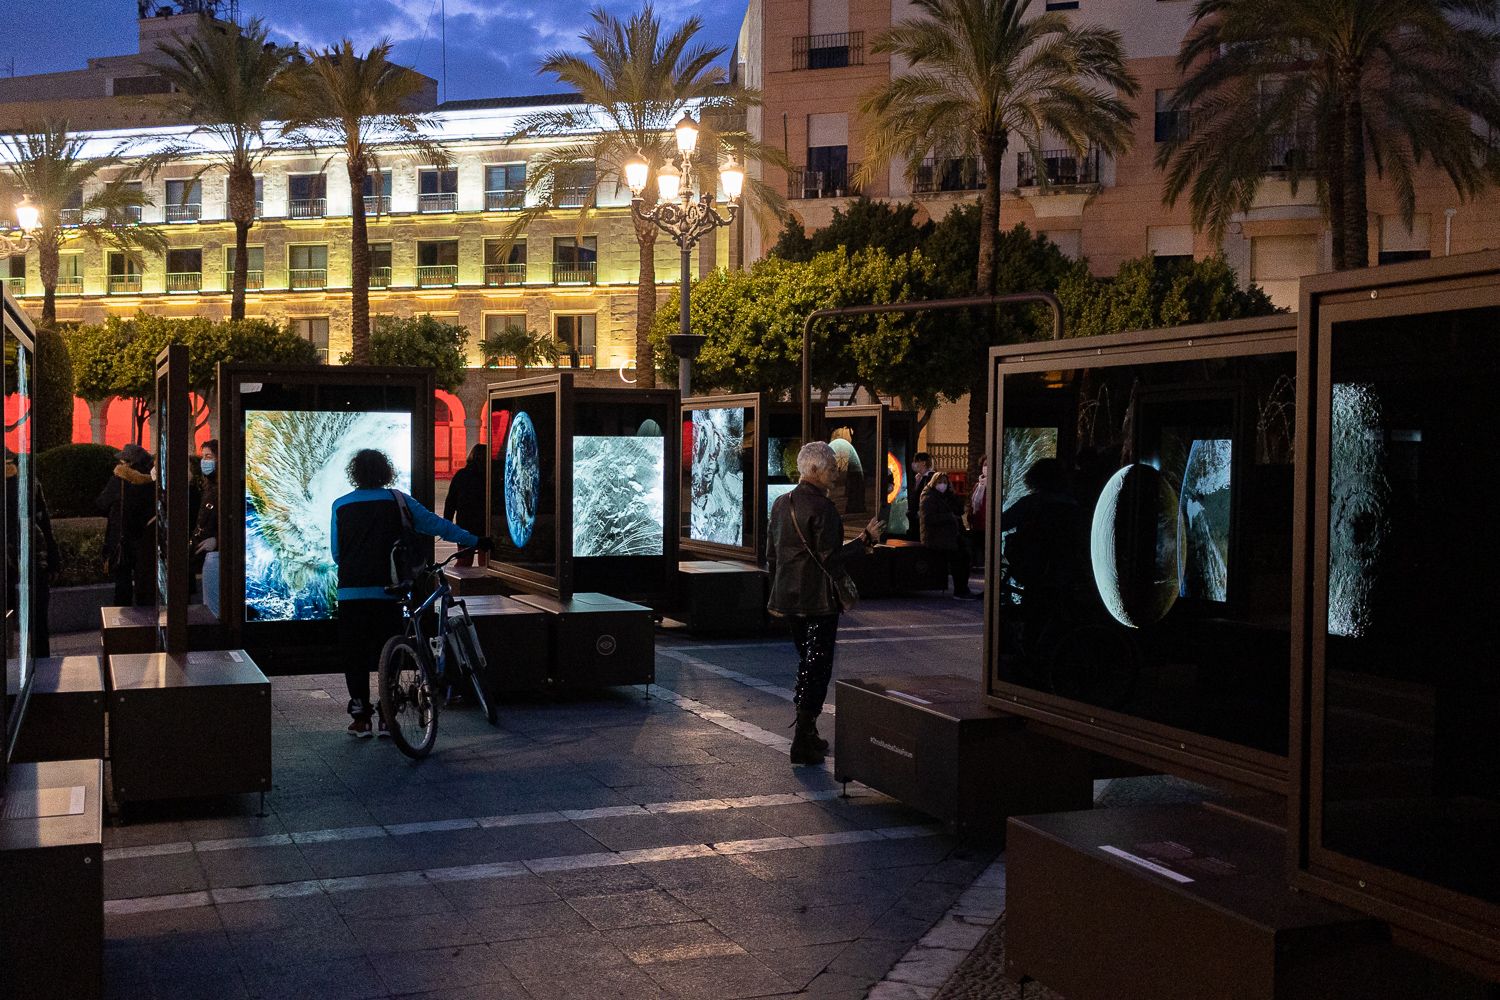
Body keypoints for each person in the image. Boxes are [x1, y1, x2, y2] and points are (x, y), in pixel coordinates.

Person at [331, 448, 492, 738]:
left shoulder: (340, 505)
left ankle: (360, 718)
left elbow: (336, 554)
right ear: (386, 471)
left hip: (351, 593)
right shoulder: (398, 501)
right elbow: (436, 525)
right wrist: (476, 540)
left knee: (353, 654)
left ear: (354, 473)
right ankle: (387, 715)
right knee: (390, 649)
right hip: (388, 592)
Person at [767, 441, 881, 766]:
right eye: (831, 466)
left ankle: (808, 731)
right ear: (815, 470)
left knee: (807, 661)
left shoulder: (780, 504)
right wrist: (865, 541)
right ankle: (803, 738)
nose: (836, 472)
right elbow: (832, 559)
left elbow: (771, 555)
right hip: (818, 601)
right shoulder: (824, 508)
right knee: (817, 666)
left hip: (788, 598)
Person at [6, 453, 59, 659]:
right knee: (38, 620)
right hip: (34, 555)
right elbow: (44, 523)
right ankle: (41, 663)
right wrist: (53, 559)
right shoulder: (29, 482)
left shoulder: (27, 483)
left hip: (18, 557)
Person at [97, 443, 156, 607]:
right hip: (145, 540)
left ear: (128, 463)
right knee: (144, 585)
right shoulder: (152, 482)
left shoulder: (118, 480)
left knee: (122, 586)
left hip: (121, 539)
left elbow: (102, 503)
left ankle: (122, 627)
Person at [921, 472, 979, 599]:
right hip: (937, 537)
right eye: (940, 482)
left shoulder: (946, 496)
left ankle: (963, 588)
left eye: (945, 483)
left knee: (965, 555)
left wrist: (953, 495)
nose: (942, 485)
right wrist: (949, 517)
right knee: (959, 558)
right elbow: (928, 519)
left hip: (950, 535)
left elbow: (959, 509)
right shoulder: (929, 497)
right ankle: (960, 590)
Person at [442, 444, 488, 568]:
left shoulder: (461, 475)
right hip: (486, 524)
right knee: (486, 562)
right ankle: (483, 586)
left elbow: (450, 501)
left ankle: (456, 586)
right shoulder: (490, 476)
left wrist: (447, 524)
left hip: (465, 523)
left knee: (464, 560)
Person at [191, 439, 219, 600]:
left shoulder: (225, 488)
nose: (204, 462)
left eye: (208, 457)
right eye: (203, 457)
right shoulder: (209, 486)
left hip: (216, 557)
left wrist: (217, 541)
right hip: (207, 555)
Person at [906, 452, 935, 539]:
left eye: (916, 461)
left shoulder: (930, 478)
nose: (914, 464)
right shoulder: (919, 477)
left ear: (923, 463)